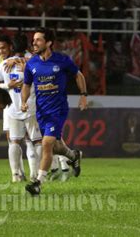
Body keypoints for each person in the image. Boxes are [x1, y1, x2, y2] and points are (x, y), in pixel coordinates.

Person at [22, 27, 88, 196]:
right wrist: (23, 101)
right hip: (41, 112)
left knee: (46, 144)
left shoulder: (62, 60)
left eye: (38, 40)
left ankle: (38, 182)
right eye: (33, 40)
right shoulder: (32, 63)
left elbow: (78, 75)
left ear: (49, 42)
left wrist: (83, 95)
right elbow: (26, 85)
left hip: (57, 110)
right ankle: (73, 155)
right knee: (55, 145)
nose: (34, 43)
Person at [0, 34, 42, 182]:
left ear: (12, 47)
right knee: (36, 141)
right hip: (31, 107)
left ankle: (15, 174)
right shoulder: (33, 63)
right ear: (27, 46)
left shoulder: (4, 64)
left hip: (13, 108)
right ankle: (36, 175)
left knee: (14, 142)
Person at [0, 35, 28, 181]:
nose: (0, 51)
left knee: (32, 139)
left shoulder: (24, 55)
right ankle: (18, 173)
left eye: (3, 48)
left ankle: (51, 167)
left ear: (11, 46)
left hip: (28, 105)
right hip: (10, 104)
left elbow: (37, 61)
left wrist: (18, 60)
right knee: (12, 138)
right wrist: (7, 86)